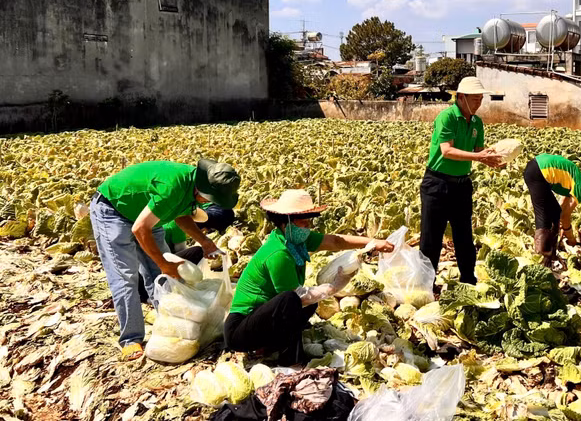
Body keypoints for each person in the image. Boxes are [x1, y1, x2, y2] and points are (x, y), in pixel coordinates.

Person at [90, 158, 241, 361]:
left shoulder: (193, 188)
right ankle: (131, 339)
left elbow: (181, 216)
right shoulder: (172, 187)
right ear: (201, 189)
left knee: (162, 275)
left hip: (149, 214)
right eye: (209, 199)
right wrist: (163, 263)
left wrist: (205, 242)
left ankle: (169, 325)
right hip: (113, 212)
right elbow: (140, 229)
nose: (208, 203)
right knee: (125, 277)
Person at [224, 189, 394, 366]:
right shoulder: (278, 253)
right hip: (239, 331)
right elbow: (294, 297)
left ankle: (271, 345)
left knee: (309, 303)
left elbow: (336, 241)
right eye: (303, 221)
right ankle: (290, 359)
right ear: (286, 221)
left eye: (309, 220)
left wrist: (372, 243)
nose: (308, 225)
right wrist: (332, 288)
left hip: (259, 318)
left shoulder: (293, 239)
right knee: (292, 300)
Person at [420, 76, 505, 285]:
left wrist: (491, 158)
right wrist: (479, 157)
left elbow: (477, 150)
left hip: (461, 185)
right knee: (431, 239)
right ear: (462, 97)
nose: (479, 103)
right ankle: (425, 286)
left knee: (464, 237)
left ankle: (468, 281)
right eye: (475, 98)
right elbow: (447, 151)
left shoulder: (476, 122)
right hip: (437, 184)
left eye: (480, 99)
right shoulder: (447, 117)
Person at [524, 154, 581, 266]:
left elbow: (562, 207)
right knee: (543, 216)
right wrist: (571, 238)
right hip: (538, 173)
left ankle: (551, 255)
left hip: (536, 168)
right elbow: (566, 215)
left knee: (554, 212)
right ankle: (541, 259)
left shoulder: (577, 178)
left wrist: (561, 228)